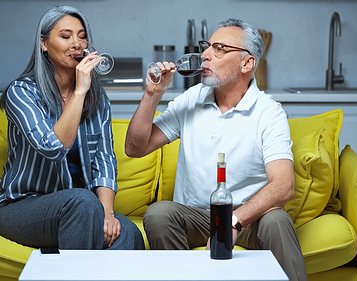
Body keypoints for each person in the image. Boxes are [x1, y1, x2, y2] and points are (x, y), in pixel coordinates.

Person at [125, 19, 307, 280]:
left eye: (219, 48)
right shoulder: (191, 99)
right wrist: (152, 95)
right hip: (197, 216)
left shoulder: (269, 113)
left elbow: (284, 186)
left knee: (277, 220)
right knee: (159, 213)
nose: (205, 55)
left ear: (247, 63)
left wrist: (234, 221)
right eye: (207, 46)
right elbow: (135, 148)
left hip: (248, 219)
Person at [0, 5, 144, 250]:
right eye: (66, 36)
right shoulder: (22, 92)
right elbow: (53, 147)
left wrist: (108, 215)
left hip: (79, 209)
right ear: (44, 44)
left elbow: (105, 161)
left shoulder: (98, 99)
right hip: (19, 207)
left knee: (129, 233)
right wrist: (80, 90)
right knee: (83, 201)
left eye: (82, 36)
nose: (77, 44)